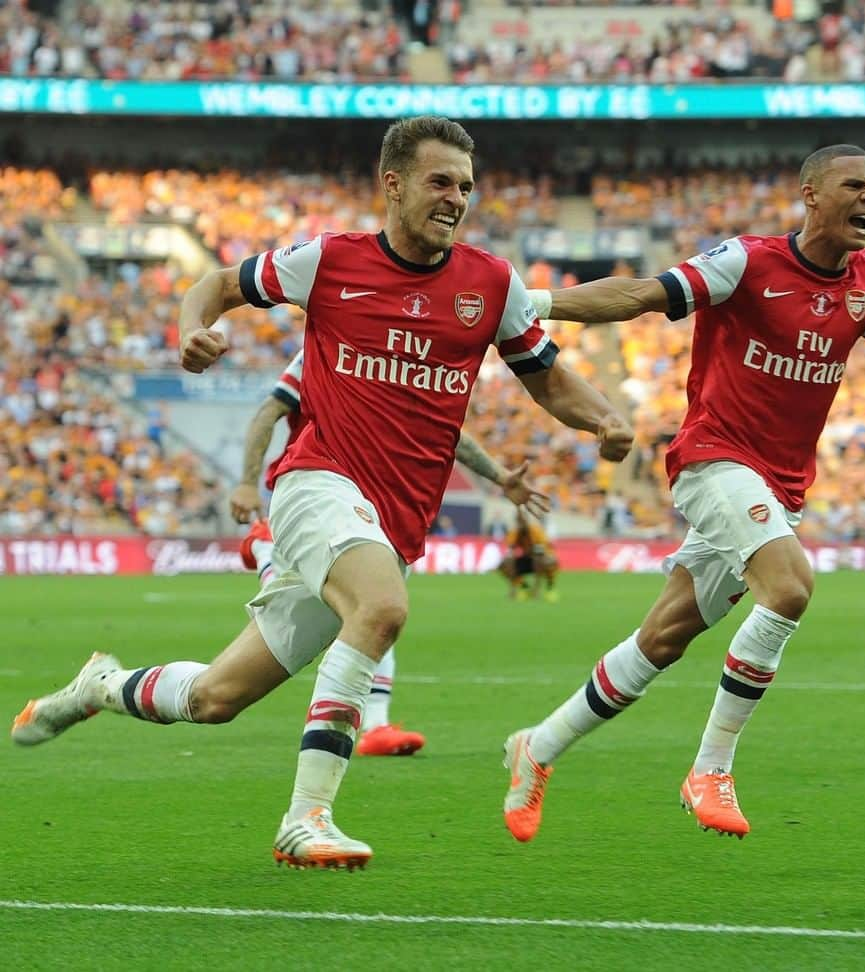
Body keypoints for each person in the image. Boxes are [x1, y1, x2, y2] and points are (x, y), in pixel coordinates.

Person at [12, 115, 634, 871]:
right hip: (317, 484)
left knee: (216, 697)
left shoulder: (492, 284)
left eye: (466, 187)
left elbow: (550, 379)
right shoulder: (329, 261)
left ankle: (98, 685)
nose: (456, 199)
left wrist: (601, 416)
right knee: (382, 609)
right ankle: (307, 817)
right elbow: (214, 283)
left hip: (395, 522)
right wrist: (190, 328)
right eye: (440, 182)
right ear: (394, 184)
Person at [501, 143, 865, 844]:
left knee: (663, 638)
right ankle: (710, 768)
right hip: (714, 459)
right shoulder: (747, 262)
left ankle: (538, 747)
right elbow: (644, 294)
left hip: (781, 482)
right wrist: (536, 304)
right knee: (791, 585)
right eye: (854, 186)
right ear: (810, 194)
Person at [228, 348, 551, 755]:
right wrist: (245, 481)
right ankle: (263, 549)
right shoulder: (330, 339)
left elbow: (444, 429)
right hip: (320, 488)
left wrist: (501, 477)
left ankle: (375, 728)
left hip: (379, 497)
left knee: (376, 607)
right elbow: (270, 410)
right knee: (367, 604)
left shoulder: (415, 351)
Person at [497, 507, 560, 602]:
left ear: (527, 520)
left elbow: (544, 550)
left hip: (542, 559)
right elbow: (510, 550)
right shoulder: (514, 533)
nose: (521, 524)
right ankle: (524, 587)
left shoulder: (536, 531)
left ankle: (550, 588)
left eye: (523, 520)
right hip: (527, 559)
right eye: (519, 521)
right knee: (503, 565)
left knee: (548, 561)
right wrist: (512, 589)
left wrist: (536, 588)